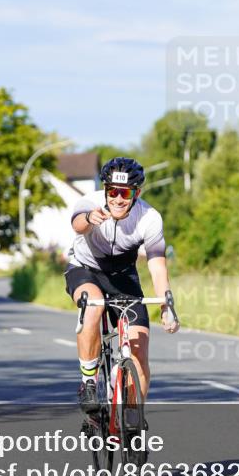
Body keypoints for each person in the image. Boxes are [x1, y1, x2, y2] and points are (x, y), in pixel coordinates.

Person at [66, 157, 179, 413]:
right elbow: (76, 223)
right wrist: (89, 218)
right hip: (86, 270)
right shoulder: (90, 203)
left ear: (136, 193)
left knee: (139, 351)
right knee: (92, 307)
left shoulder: (149, 218)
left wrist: (166, 305)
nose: (117, 199)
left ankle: (132, 418)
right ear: (105, 190)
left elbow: (157, 266)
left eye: (125, 193)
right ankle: (89, 383)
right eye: (112, 191)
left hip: (123, 277)